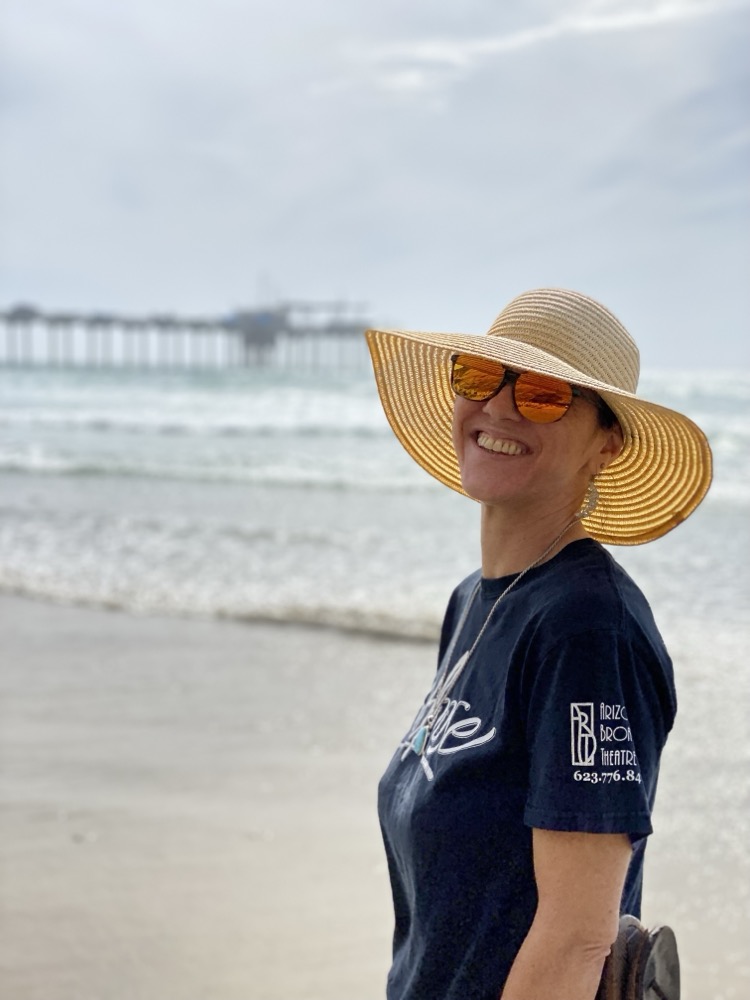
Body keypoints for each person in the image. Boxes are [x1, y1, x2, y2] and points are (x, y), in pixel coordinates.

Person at [365, 288, 712, 1000]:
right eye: (478, 376)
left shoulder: (587, 628)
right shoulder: (475, 601)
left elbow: (577, 938)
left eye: (546, 394)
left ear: (606, 442)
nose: (498, 406)